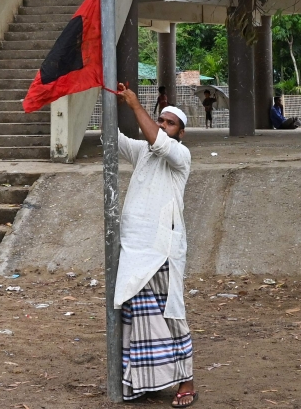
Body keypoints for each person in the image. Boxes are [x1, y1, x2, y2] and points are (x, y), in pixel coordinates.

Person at [114, 84, 196, 406]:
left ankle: (186, 382)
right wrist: (102, 101)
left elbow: (159, 143)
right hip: (135, 249)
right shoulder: (142, 152)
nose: (163, 125)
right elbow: (113, 141)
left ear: (181, 133)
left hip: (162, 251)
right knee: (137, 318)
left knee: (171, 315)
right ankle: (144, 382)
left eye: (170, 122)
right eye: (160, 120)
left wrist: (135, 106)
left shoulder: (180, 156)